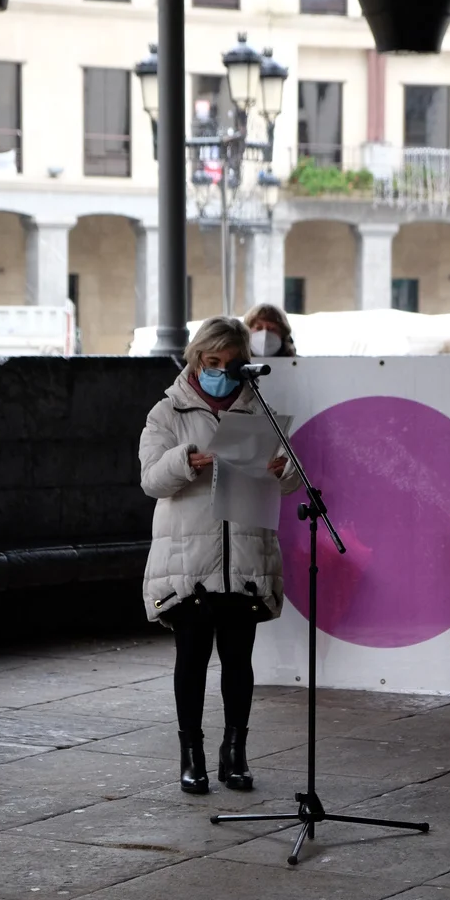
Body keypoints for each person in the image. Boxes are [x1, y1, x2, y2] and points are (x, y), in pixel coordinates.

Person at [139, 315, 300, 795]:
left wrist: (283, 469)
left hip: (244, 556)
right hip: (188, 558)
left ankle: (235, 752)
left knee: (238, 660)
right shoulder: (166, 413)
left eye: (231, 365)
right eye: (212, 362)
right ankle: (191, 755)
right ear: (195, 359)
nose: (221, 372)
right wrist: (186, 460)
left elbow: (293, 479)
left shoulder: (260, 411)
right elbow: (151, 480)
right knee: (191, 659)